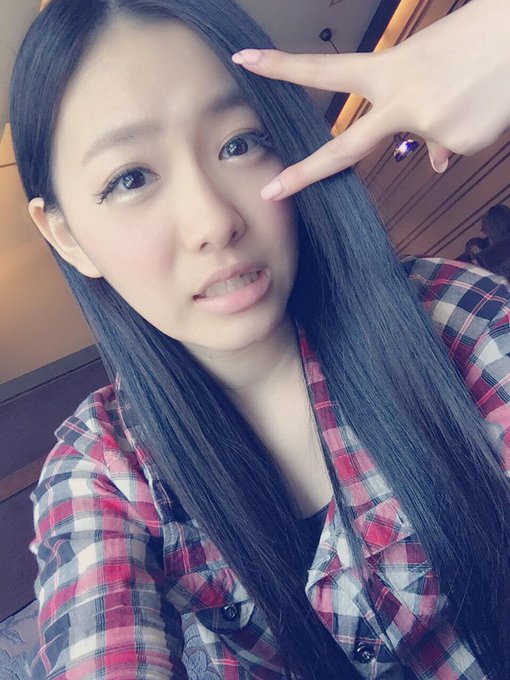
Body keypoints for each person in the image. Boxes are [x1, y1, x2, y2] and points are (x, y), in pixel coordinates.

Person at [8, 0, 510, 678]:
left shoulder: (454, 319)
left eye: (240, 143)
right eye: (131, 178)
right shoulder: (102, 472)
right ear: (67, 236)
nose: (213, 221)